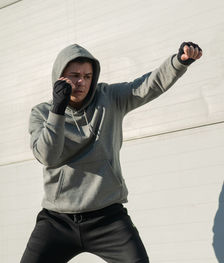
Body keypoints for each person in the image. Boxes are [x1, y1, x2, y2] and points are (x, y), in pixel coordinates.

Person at [21, 42, 202, 263]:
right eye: (74, 75)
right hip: (57, 221)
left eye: (87, 76)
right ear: (59, 77)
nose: (81, 82)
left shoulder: (109, 98)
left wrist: (179, 62)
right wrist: (57, 110)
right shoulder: (42, 113)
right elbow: (47, 156)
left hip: (107, 218)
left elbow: (147, 85)